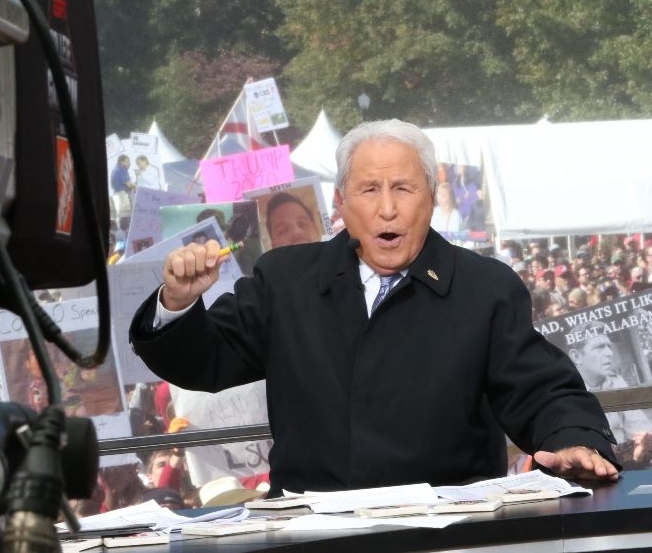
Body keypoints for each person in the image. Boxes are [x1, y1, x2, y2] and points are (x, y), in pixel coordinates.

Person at [129, 119, 619, 496]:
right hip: (315, 544)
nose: (388, 209)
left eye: (403, 189)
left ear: (430, 198)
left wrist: (574, 440)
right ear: (340, 204)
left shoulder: (484, 288)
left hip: (447, 543)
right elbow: (203, 359)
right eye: (369, 190)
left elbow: (542, 389)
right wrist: (177, 301)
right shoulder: (287, 282)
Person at [565, 322, 652, 468]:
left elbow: (640, 430)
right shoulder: (565, 394)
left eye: (609, 346)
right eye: (599, 347)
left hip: (627, 464)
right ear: (576, 356)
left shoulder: (616, 382)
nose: (609, 353)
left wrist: (642, 446)